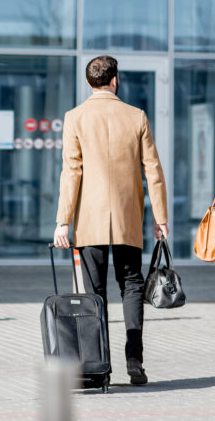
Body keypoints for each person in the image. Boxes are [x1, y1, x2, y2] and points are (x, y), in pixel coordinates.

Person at [53, 55, 168, 386]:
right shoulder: (136, 116)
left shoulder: (75, 117)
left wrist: (63, 221)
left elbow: (71, 172)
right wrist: (161, 217)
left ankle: (99, 365)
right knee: (132, 285)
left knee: (95, 293)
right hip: (126, 216)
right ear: (115, 80)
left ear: (89, 82)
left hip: (88, 219)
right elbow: (153, 170)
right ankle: (135, 360)